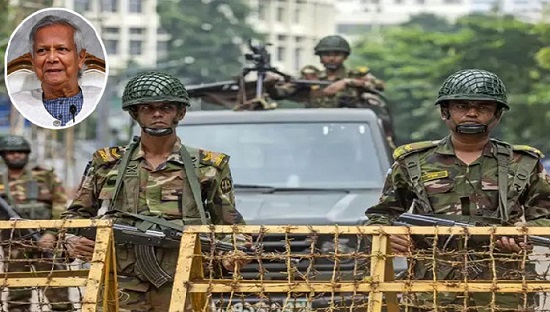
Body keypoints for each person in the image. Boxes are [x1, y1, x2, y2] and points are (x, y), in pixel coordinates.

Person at [62, 71, 249, 311]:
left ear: (179, 113)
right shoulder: (107, 164)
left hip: (184, 280)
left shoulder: (208, 166)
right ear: (135, 114)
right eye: (148, 108)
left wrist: (233, 253)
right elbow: (74, 216)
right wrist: (73, 240)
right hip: (119, 281)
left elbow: (231, 224)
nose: (157, 114)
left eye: (166, 107)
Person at [365, 69, 550, 311]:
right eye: (462, 106)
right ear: (445, 111)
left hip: (504, 287)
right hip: (430, 287)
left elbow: (545, 218)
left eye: (483, 107)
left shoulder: (523, 163)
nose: (472, 113)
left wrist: (522, 233)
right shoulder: (413, 162)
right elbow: (380, 216)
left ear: (497, 114)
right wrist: (391, 234)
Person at [0, 135, 71, 311]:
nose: (16, 156)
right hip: (14, 245)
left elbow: (61, 206)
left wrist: (51, 233)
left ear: (27, 154)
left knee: (58, 292)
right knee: (18, 295)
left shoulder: (45, 176)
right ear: (3, 155)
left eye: (20, 152)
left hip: (46, 242)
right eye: (11, 152)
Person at [9, 15, 102, 128]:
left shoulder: (97, 100)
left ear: (80, 58)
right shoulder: (20, 102)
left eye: (61, 49)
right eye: (42, 50)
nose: (52, 58)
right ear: (32, 60)